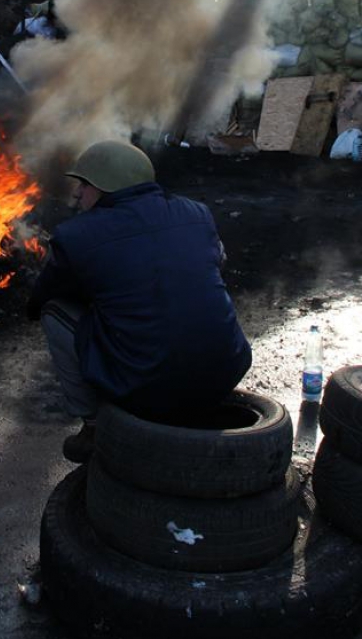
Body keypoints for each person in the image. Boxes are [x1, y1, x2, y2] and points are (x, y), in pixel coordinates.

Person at [27, 140, 252, 462]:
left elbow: (41, 298)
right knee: (204, 271)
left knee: (53, 312)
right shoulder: (197, 213)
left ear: (106, 186)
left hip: (144, 388)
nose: (77, 194)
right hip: (228, 369)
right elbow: (213, 263)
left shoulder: (76, 235)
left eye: (84, 184)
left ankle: (92, 426)